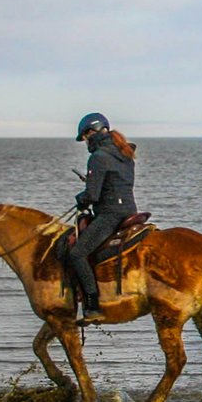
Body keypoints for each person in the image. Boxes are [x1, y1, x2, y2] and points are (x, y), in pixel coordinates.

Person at [65, 112, 137, 324]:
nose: (86, 141)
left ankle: (92, 305)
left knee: (77, 254)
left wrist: (81, 198)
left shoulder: (97, 157)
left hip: (110, 214)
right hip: (130, 210)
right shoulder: (124, 153)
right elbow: (116, 182)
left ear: (92, 132)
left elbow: (92, 195)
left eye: (85, 137)